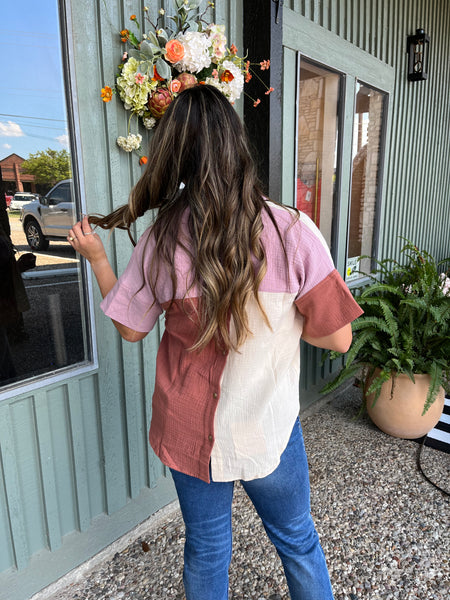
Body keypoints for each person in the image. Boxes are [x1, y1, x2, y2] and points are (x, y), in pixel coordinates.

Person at [69, 84, 363, 600]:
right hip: (267, 430)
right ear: (236, 144)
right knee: (297, 541)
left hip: (189, 436)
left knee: (206, 550)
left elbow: (131, 329)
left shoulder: (161, 238)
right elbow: (339, 338)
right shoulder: (293, 230)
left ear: (173, 155)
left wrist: (97, 259)